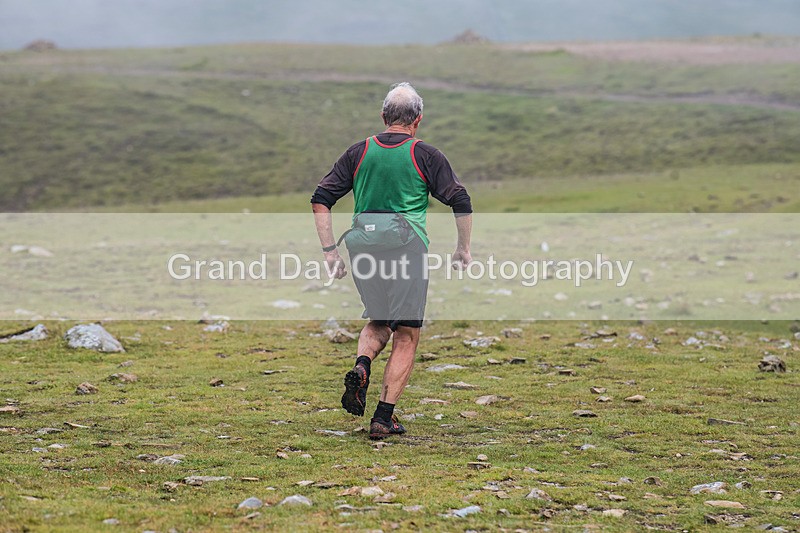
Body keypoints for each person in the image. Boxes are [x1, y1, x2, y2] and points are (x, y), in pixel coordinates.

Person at [311, 82, 473, 439]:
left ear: (384, 117)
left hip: (363, 247)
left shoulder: (358, 152)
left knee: (379, 320)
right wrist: (462, 248)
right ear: (417, 120)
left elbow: (321, 198)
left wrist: (329, 252)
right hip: (406, 248)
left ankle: (362, 365)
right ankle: (383, 418)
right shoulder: (426, 155)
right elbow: (460, 200)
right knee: (407, 334)